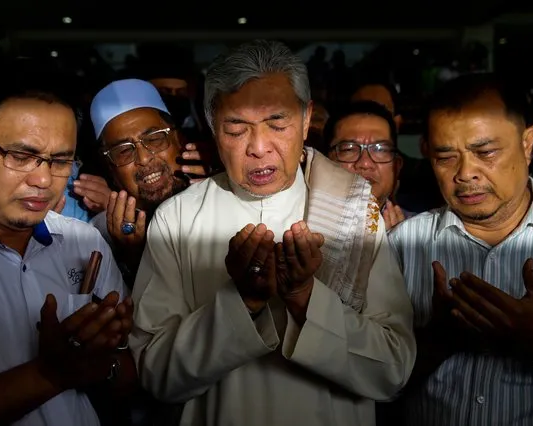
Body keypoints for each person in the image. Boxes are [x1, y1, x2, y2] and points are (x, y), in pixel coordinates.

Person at [130, 39, 415, 426]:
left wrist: (305, 297)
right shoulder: (177, 219)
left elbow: (392, 370)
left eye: (277, 124)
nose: (259, 148)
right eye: (236, 130)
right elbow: (155, 373)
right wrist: (242, 302)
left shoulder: (353, 210)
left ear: (306, 118)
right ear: (213, 128)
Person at [0, 59, 135, 425]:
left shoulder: (82, 243)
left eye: (61, 160)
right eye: (22, 156)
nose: (44, 180)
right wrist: (51, 374)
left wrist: (101, 362)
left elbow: (128, 376)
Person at [389, 73, 533, 425]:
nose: (465, 173)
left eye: (485, 152)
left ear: (527, 142)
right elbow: (374, 388)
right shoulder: (402, 246)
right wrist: (435, 342)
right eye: (446, 158)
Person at [89, 79, 210, 285]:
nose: (144, 158)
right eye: (124, 151)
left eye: (154, 139)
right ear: (111, 170)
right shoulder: (96, 236)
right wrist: (132, 256)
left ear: (179, 140)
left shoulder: (218, 199)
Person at [324, 101, 410, 229]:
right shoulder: (298, 230)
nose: (365, 163)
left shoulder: (422, 236)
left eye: (380, 149)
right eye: (349, 149)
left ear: (397, 166)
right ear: (325, 162)